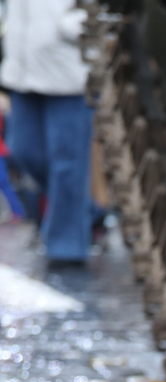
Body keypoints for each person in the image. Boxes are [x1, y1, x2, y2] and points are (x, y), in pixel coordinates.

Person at [1, 0, 92, 263]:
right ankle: (86, 210)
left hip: (68, 73)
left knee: (67, 163)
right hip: (22, 70)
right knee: (22, 150)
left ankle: (66, 249)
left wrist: (68, 27)